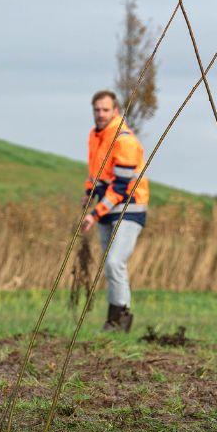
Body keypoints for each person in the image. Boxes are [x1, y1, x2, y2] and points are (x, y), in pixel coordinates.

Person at [78, 90, 150, 332]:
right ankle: (118, 319)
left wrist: (94, 213)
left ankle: (119, 320)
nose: (100, 114)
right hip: (107, 209)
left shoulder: (125, 140)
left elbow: (120, 187)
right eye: (97, 110)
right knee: (111, 266)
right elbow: (97, 172)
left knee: (114, 262)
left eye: (105, 110)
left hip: (129, 207)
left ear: (115, 111)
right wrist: (88, 194)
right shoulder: (96, 136)